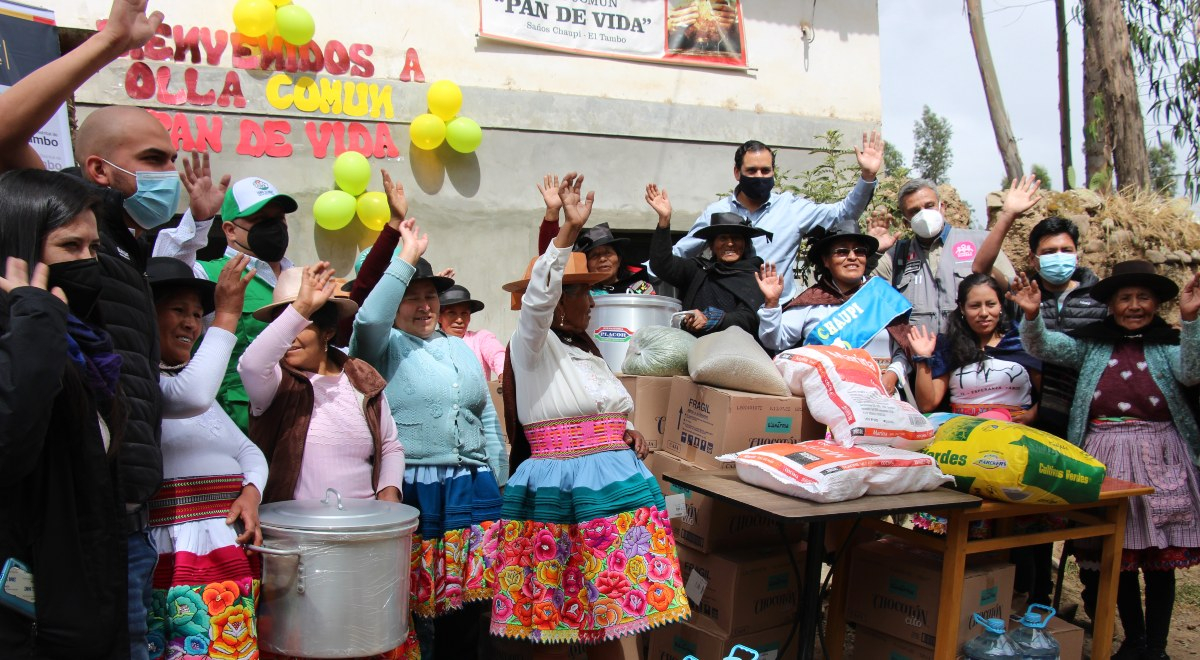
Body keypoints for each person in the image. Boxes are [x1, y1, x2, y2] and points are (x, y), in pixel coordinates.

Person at [490, 173, 690, 657]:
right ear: (559, 302)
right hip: (562, 487)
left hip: (615, 482)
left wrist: (625, 432)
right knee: (560, 616)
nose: (592, 301)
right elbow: (536, 300)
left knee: (616, 615)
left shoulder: (588, 352)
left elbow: (600, 410)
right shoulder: (532, 347)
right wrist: (561, 233)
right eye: (580, 292)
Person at [1011, 261, 1200, 660]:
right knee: (1115, 557)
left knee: (1158, 559)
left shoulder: (1169, 344)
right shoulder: (1092, 345)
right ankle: (1132, 641)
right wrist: (1031, 316)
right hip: (1105, 455)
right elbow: (1045, 346)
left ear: (1156, 303)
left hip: (1161, 456)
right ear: (1111, 305)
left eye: (1143, 298)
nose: (1134, 306)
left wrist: (1191, 320)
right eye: (1125, 298)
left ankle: (1157, 648)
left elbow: (1192, 371)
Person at [351, 204, 508, 659]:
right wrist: (403, 259)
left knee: (467, 605)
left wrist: (497, 474)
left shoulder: (457, 348)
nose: (424, 307)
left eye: (430, 297)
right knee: (413, 602)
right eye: (411, 297)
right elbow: (367, 318)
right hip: (414, 486)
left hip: (471, 486)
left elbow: (486, 418)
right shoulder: (380, 345)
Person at [0, 169, 126, 657]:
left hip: (79, 615)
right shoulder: (33, 336)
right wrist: (33, 323)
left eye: (93, 249)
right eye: (69, 248)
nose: (88, 264)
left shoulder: (79, 344)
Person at [144, 255, 268, 660]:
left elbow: (249, 451)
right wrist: (228, 314)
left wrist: (250, 492)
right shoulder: (145, 384)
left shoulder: (192, 390)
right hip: (178, 554)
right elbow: (192, 396)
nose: (191, 324)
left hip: (224, 553)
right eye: (178, 310)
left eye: (198, 314)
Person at [154, 176, 300, 433]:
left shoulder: (299, 278)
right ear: (230, 230)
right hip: (238, 423)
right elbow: (165, 274)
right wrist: (198, 222)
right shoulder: (209, 274)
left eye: (279, 220)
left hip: (298, 417)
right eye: (261, 221)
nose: (275, 229)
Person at [670, 134, 883, 304]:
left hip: (779, 313)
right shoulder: (716, 213)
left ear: (773, 172)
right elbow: (679, 254)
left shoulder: (791, 208)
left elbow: (842, 214)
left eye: (766, 170)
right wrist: (644, 278)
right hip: (729, 314)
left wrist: (867, 178)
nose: (759, 176)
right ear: (737, 172)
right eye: (751, 170)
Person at [869, 176, 1039, 333]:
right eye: (914, 211)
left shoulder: (983, 242)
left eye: (929, 206)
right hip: (920, 358)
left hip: (970, 354)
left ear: (942, 208)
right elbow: (857, 289)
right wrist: (874, 250)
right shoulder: (896, 255)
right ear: (906, 222)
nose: (924, 214)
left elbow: (1013, 295)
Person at [756, 231, 912, 396]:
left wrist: (893, 374)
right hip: (826, 395)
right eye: (842, 252)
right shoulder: (811, 301)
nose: (852, 257)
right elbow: (774, 341)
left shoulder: (883, 297)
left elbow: (905, 347)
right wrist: (772, 303)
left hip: (881, 393)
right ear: (826, 261)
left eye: (859, 251)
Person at [908, 273, 1041, 423]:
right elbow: (927, 405)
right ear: (962, 309)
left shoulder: (1021, 341)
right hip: (964, 436)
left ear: (1000, 306)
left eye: (991, 304)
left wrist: (1031, 416)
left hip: (1016, 436)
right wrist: (923, 358)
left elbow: (1048, 393)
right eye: (975, 306)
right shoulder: (949, 346)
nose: (984, 313)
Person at [646, 184, 766, 336]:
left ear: (745, 244)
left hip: (734, 351)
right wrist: (664, 221)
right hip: (693, 351)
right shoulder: (698, 270)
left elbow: (749, 318)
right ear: (712, 245)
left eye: (736, 238)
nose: (730, 243)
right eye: (723, 238)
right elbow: (661, 265)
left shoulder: (753, 276)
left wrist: (712, 319)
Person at [537, 174, 654, 296]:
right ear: (586, 264)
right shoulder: (580, 294)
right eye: (595, 255)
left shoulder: (641, 288)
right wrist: (552, 211)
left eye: (608, 253)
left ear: (619, 260)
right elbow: (550, 266)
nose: (603, 259)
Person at [439, 284, 506, 381]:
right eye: (451, 313)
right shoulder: (430, 342)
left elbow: (498, 355)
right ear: (439, 317)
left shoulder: (481, 338)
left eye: (464, 313)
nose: (459, 320)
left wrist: (504, 374)